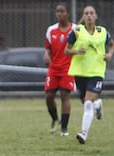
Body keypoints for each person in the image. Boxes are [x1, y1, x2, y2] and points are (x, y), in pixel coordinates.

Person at [65, 5, 114, 144]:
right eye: (86, 13)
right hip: (80, 72)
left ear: (96, 16)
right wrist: (76, 51)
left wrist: (109, 54)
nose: (89, 15)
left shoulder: (102, 31)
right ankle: (98, 104)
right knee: (87, 103)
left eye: (91, 13)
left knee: (87, 104)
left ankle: (83, 134)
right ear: (84, 16)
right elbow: (66, 50)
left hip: (97, 72)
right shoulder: (77, 31)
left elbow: (111, 44)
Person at [44, 2, 76, 136]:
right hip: (54, 68)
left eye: (62, 11)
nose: (59, 14)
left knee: (65, 96)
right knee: (49, 97)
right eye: (58, 11)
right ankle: (55, 119)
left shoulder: (76, 29)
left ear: (68, 13)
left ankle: (64, 128)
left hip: (68, 68)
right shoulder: (51, 30)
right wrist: (46, 55)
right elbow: (48, 49)